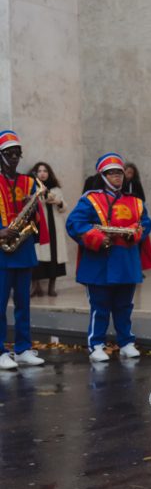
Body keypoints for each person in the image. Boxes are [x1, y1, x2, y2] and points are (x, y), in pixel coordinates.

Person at [65, 153, 151, 362]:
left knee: (124, 306)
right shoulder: (89, 199)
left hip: (126, 261)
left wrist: (136, 231)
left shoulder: (135, 201)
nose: (117, 177)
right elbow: (74, 223)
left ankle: (126, 342)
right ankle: (96, 344)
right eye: (112, 173)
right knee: (100, 307)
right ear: (103, 175)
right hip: (99, 263)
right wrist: (96, 237)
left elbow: (147, 223)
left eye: (119, 173)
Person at [0, 130, 47, 370]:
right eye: (9, 154)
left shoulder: (29, 182)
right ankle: (0, 351)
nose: (15, 158)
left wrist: (35, 206)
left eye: (18, 154)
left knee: (24, 305)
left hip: (23, 248)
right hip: (1, 253)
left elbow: (37, 216)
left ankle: (23, 349)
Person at [29, 162, 67, 297]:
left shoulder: (56, 189)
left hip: (54, 226)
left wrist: (58, 202)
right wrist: (42, 196)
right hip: (41, 225)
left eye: (45, 171)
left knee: (55, 256)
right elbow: (32, 204)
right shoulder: (33, 188)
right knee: (38, 256)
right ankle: (36, 286)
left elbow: (64, 207)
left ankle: (52, 287)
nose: (42, 173)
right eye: (39, 171)